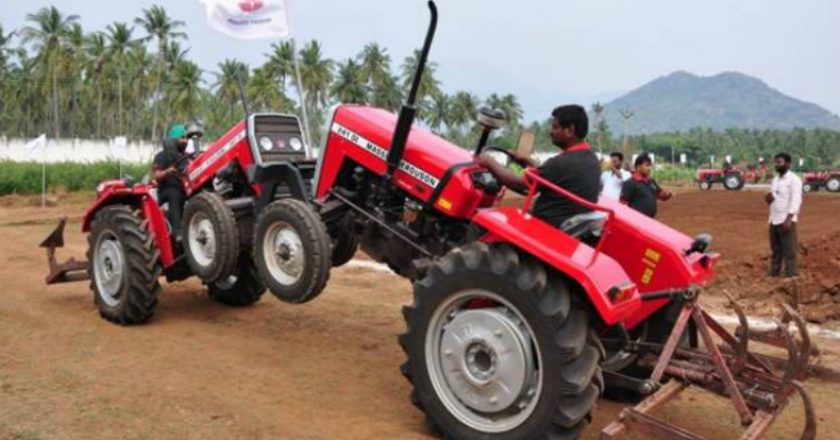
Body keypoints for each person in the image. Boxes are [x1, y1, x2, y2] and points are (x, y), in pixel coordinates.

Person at [477, 104, 600, 228]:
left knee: (479, 221)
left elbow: (518, 184)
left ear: (570, 130)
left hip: (545, 227)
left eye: (555, 127)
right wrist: (530, 162)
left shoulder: (560, 163)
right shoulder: (591, 159)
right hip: (566, 226)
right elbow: (553, 177)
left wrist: (489, 162)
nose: (550, 132)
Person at [765, 152, 802, 277]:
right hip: (774, 219)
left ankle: (791, 275)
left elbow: (796, 200)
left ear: (788, 164)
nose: (777, 165)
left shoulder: (794, 180)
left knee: (789, 250)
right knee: (776, 249)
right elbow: (775, 197)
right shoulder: (776, 180)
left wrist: (789, 219)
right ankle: (774, 273)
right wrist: (769, 199)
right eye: (776, 163)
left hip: (786, 220)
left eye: (779, 163)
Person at [153, 124, 190, 240]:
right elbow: (156, 175)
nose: (185, 141)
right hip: (166, 191)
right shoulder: (161, 156)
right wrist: (167, 172)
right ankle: (177, 232)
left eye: (186, 138)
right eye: (182, 138)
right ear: (173, 140)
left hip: (185, 190)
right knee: (174, 194)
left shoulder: (188, 157)